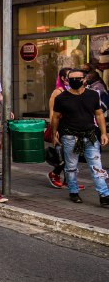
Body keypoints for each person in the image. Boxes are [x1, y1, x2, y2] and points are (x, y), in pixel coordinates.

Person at [51, 68, 109, 207]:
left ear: (84, 80)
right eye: (71, 79)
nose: (74, 81)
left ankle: (104, 195)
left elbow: (99, 114)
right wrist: (54, 134)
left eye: (77, 79)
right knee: (71, 167)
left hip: (90, 135)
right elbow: (56, 117)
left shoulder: (93, 95)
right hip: (70, 136)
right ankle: (73, 191)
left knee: (97, 166)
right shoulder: (61, 98)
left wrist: (103, 133)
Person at [47, 68, 71, 189]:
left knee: (72, 155)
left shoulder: (74, 90)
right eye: (68, 75)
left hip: (72, 125)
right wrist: (54, 130)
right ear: (62, 78)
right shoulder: (58, 92)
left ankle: (69, 181)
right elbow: (52, 112)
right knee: (63, 155)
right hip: (60, 126)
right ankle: (54, 174)